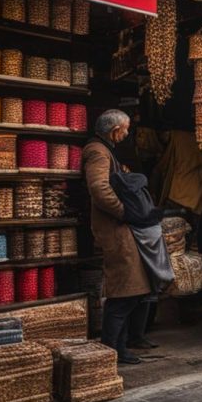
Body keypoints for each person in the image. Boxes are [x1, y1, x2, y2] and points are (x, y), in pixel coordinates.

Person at [84, 110, 152, 365]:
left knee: (130, 289)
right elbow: (99, 188)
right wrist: (125, 212)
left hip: (118, 227)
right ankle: (112, 348)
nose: (127, 133)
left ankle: (119, 347)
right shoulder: (98, 152)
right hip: (113, 227)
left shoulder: (106, 151)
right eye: (125, 129)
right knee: (123, 290)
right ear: (115, 131)